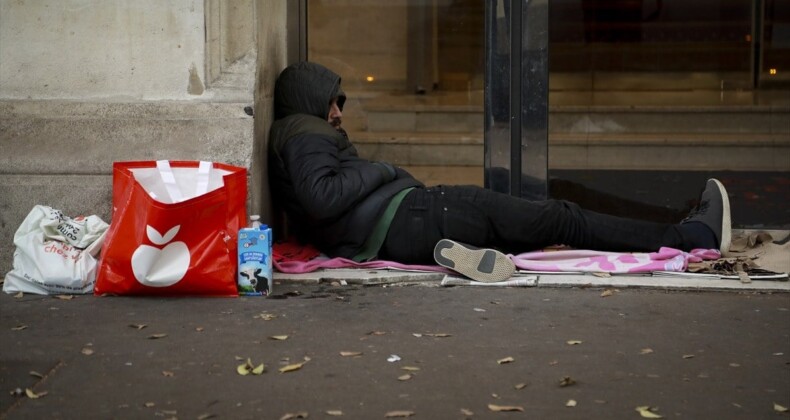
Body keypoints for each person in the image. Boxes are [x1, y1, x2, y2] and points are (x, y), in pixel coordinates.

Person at [268, 62, 731, 282]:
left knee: (546, 213)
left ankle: (470, 251)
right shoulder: (304, 130)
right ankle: (691, 236)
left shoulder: (301, 133)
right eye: (331, 100)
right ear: (309, 97)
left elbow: (322, 200)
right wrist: (384, 170)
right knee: (561, 216)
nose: (337, 112)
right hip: (419, 213)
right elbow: (322, 196)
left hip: (405, 226)